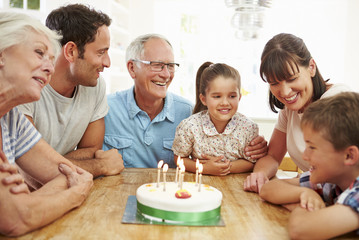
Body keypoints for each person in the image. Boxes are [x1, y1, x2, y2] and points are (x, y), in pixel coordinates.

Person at [103, 34, 268, 168]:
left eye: (171, 66)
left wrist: (255, 148)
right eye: (157, 65)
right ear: (132, 68)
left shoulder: (188, 112)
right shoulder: (106, 109)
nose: (166, 74)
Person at [0, 12, 93, 237]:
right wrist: (74, 195)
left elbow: (79, 175)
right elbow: (15, 221)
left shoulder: (11, 119)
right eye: (39, 53)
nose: (50, 69)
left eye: (51, 60)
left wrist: (25, 205)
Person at [18, 4, 124, 182]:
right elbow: (29, 172)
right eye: (101, 52)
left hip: (63, 190)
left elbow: (92, 151)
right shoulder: (25, 87)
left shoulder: (95, 86)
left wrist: (46, 164)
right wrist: (102, 166)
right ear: (71, 51)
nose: (107, 62)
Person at [243, 33, 351, 193]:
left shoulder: (337, 102)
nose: (285, 92)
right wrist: (259, 174)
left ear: (311, 67)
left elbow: (336, 171)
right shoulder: (289, 110)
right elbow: (273, 156)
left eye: (292, 79)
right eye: (274, 83)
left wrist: (293, 187)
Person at [259, 92, 359, 239]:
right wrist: (304, 194)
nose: (304, 156)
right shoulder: (331, 180)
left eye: (312, 148)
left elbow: (300, 230)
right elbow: (267, 189)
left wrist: (302, 206)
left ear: (349, 156)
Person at [172, 62, 259, 175]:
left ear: (239, 97)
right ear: (204, 99)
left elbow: (252, 162)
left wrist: (223, 167)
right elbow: (179, 159)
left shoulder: (249, 128)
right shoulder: (189, 126)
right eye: (217, 96)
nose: (225, 103)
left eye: (232, 96)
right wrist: (204, 169)